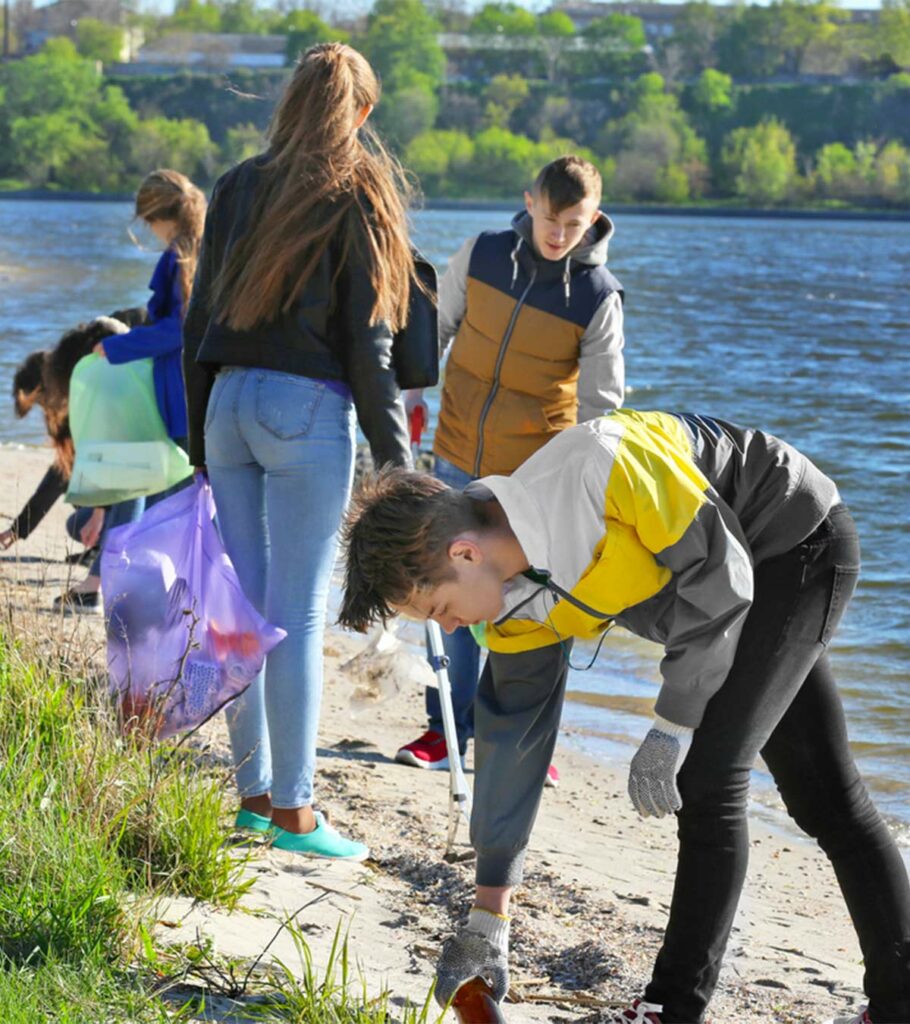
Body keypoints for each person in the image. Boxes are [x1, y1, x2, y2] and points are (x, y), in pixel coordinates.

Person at [339, 409, 910, 1024]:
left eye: (439, 607)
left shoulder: (601, 465)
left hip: (794, 541)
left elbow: (722, 580)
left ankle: (669, 1011)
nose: (450, 627)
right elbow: (513, 749)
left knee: (710, 781)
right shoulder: (508, 607)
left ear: (464, 552)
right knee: (826, 795)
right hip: (733, 599)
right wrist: (487, 916)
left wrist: (671, 725)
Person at [182, 42, 419, 861]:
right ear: (359, 113)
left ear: (288, 105)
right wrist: (398, 471)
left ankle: (250, 798)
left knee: (240, 617)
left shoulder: (237, 184)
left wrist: (197, 438)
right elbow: (370, 347)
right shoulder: (358, 189)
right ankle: (295, 811)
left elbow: (195, 319)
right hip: (304, 408)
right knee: (295, 615)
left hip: (229, 403)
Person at [397, 155, 625, 787]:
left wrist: (586, 492)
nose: (559, 234)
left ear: (594, 219)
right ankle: (447, 729)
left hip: (532, 481)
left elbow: (602, 409)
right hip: (455, 451)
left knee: (527, 610)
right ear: (530, 202)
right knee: (448, 590)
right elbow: (436, 326)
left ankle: (521, 740)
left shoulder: (599, 299)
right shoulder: (485, 253)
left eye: (573, 224)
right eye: (551, 219)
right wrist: (413, 392)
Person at [56, 169, 206, 612]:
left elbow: (178, 328)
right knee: (172, 504)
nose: (152, 233)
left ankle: (132, 592)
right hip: (191, 395)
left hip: (176, 400)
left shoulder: (179, 255)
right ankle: (161, 596)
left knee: (157, 496)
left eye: (149, 223)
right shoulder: (204, 248)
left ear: (158, 216)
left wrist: (118, 345)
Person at [1, 312, 149, 612]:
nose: (45, 411)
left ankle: (97, 582)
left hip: (146, 479)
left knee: (111, 500)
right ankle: (103, 550)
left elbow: (66, 475)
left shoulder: (93, 382)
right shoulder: (92, 376)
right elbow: (65, 472)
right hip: (136, 480)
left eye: (41, 403)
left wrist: (99, 511)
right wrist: (18, 530)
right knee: (77, 524)